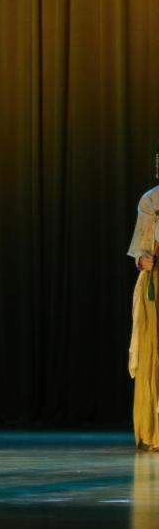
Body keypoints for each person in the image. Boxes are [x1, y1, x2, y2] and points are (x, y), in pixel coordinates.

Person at [127, 186, 159, 451]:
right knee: (153, 351)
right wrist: (142, 260)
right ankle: (153, 431)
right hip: (157, 286)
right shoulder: (151, 200)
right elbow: (141, 250)